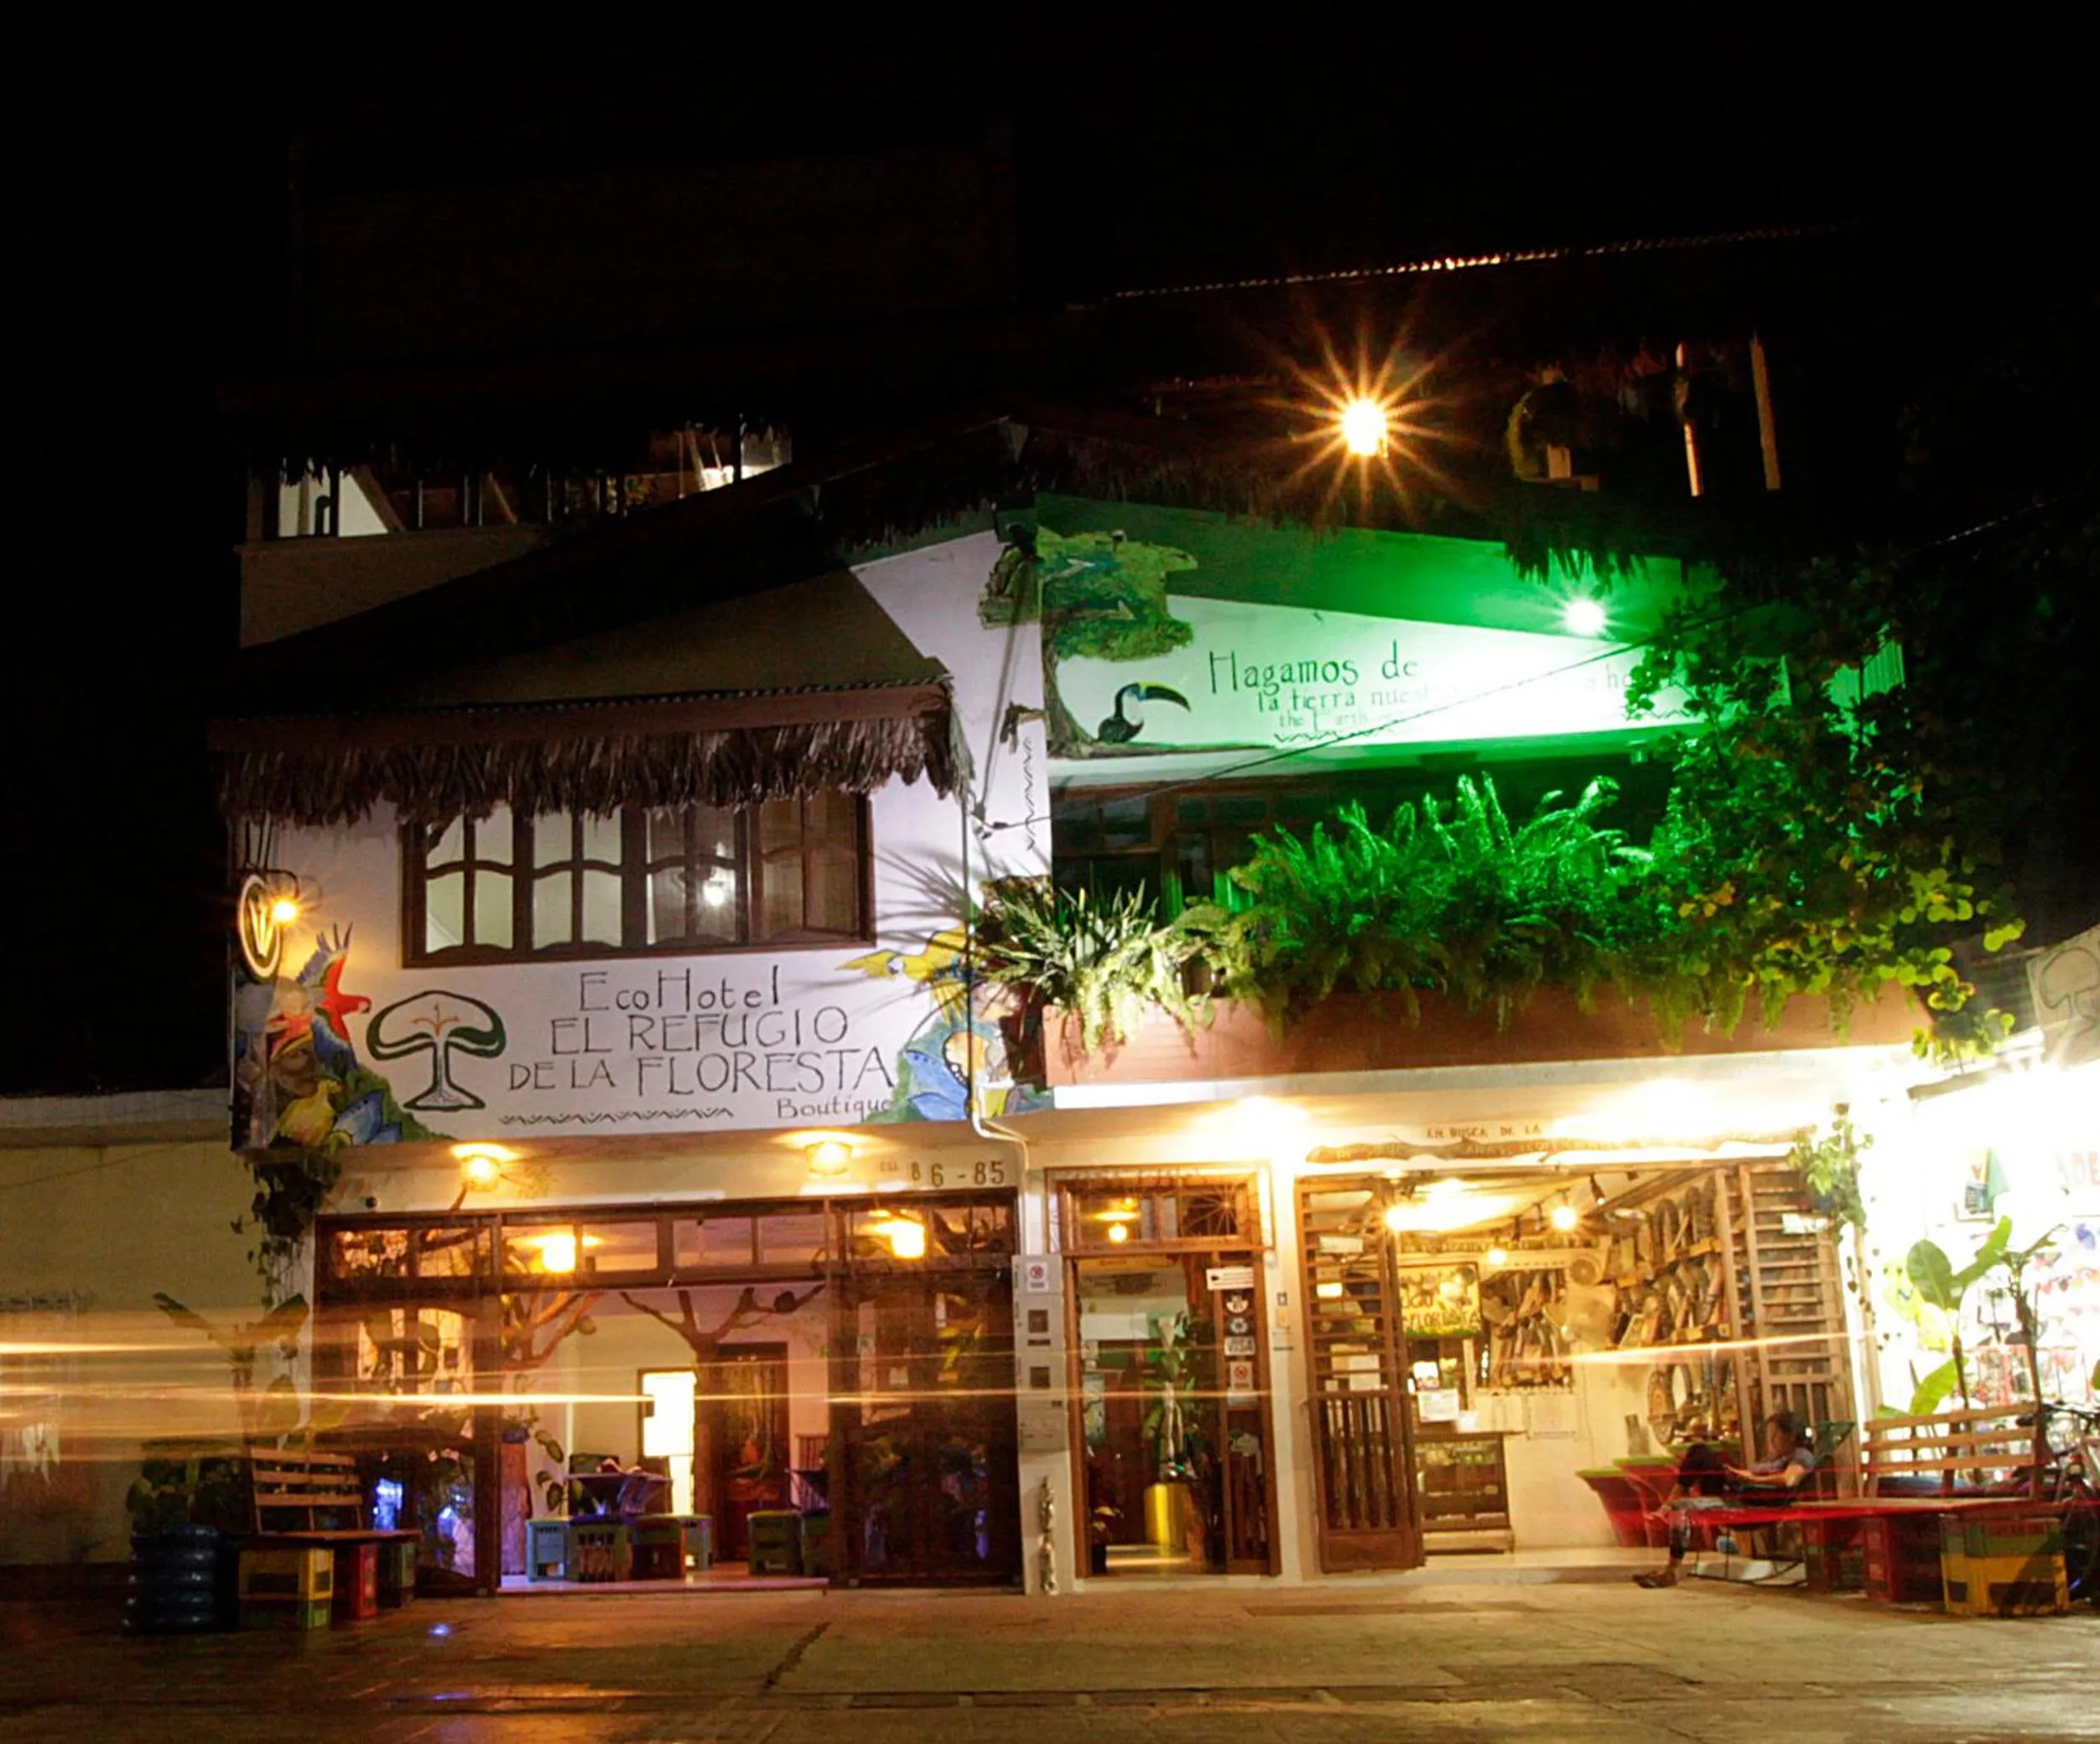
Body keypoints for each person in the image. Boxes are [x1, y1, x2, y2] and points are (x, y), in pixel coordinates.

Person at [1634, 1410, 1816, 1587]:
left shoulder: (1802, 1455)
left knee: (1682, 1499)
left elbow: (1788, 1480)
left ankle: (1670, 1570)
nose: (1771, 1440)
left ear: (1790, 1435)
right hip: (1738, 1491)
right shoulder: (1777, 1456)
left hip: (1751, 1505)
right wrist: (1736, 1474)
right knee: (1699, 1451)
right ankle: (1668, 1525)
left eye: (1774, 1434)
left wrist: (1748, 1478)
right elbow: (1752, 1473)